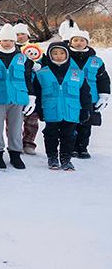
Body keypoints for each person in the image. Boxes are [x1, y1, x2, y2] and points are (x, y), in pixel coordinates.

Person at [34, 42, 93, 171]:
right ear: (49, 55)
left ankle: (66, 159)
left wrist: (86, 110)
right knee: (50, 135)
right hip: (51, 110)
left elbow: (85, 94)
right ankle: (52, 157)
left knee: (69, 136)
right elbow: (37, 94)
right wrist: (39, 110)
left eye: (62, 53)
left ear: (67, 54)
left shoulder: (77, 73)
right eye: (55, 53)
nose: (59, 56)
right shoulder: (42, 74)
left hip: (71, 111)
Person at [0, 24, 35, 170]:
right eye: (4, 40)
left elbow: (28, 78)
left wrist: (31, 96)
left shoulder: (23, 58)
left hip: (17, 97)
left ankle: (15, 153)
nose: (7, 43)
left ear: (15, 41)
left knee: (16, 127)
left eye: (11, 40)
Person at [66, 27, 110, 159]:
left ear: (87, 42)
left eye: (82, 40)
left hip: (90, 98)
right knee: (71, 124)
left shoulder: (96, 61)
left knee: (86, 124)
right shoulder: (65, 57)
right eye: (75, 40)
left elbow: (103, 79)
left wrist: (104, 95)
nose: (79, 43)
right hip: (70, 96)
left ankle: (82, 148)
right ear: (70, 42)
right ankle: (71, 148)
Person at [15, 23, 42, 155]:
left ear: (28, 35)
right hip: (17, 88)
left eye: (22, 34)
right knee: (14, 119)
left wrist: (38, 66)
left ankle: (29, 143)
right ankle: (15, 143)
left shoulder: (36, 49)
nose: (20, 37)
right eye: (17, 34)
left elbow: (45, 66)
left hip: (33, 88)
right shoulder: (10, 48)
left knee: (32, 119)